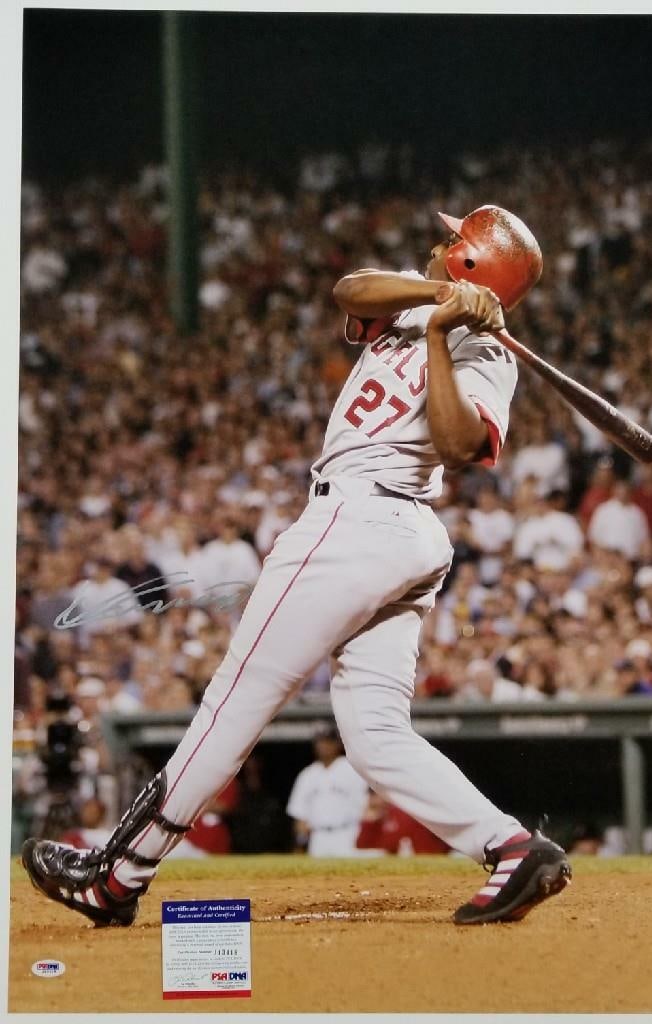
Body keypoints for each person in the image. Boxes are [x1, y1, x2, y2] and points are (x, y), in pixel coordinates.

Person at [22, 204, 572, 927]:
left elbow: (462, 444)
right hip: (383, 533)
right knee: (374, 735)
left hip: (362, 521)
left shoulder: (490, 354)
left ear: (471, 262)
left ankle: (118, 875)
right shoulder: (411, 293)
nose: (437, 245)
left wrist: (446, 336)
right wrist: (438, 299)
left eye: (451, 243)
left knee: (234, 699)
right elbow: (351, 288)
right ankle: (510, 847)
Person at [286, 726, 368, 856]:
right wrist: (300, 841)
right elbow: (300, 814)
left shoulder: (352, 769)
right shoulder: (308, 774)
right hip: (318, 836)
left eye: (328, 741)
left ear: (338, 744)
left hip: (347, 833)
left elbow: (368, 804)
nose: (323, 746)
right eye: (320, 742)